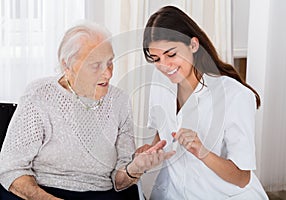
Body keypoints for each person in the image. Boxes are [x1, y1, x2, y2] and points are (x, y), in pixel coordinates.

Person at [0, 21, 175, 200]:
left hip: (100, 193)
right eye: (95, 65)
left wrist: (134, 168)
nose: (108, 74)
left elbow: (120, 181)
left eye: (110, 62)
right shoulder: (39, 95)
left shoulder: (119, 101)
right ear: (67, 65)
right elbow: (11, 169)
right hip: (43, 191)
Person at [142, 6, 269, 200]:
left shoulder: (235, 96)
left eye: (171, 54)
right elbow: (161, 132)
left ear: (193, 45)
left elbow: (242, 178)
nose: (164, 66)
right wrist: (151, 153)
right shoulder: (159, 83)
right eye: (156, 59)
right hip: (170, 194)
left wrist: (203, 153)